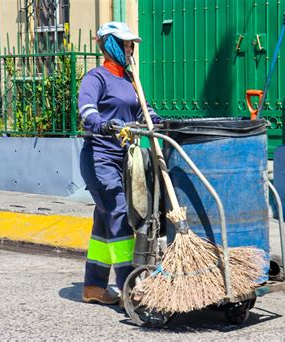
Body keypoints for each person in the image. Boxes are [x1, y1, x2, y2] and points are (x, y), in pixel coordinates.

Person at [78, 21, 162, 305]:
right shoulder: (96, 78)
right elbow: (86, 110)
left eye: (131, 45)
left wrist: (158, 120)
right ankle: (131, 286)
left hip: (125, 159)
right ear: (111, 44)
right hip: (99, 158)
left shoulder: (130, 80)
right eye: (125, 44)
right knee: (120, 214)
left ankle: (93, 286)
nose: (129, 49)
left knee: (105, 221)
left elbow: (144, 110)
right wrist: (101, 124)